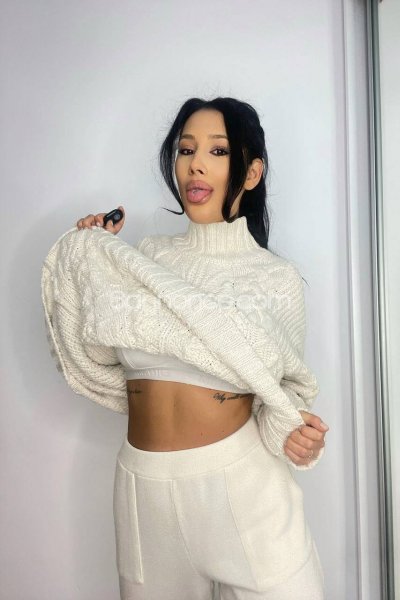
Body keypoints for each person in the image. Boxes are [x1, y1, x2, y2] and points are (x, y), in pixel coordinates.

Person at [42, 97, 329, 600]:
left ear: (252, 172)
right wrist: (88, 262)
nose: (195, 164)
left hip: (244, 487)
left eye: (218, 151)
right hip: (144, 490)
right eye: (185, 149)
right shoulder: (146, 260)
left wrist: (297, 434)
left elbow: (281, 397)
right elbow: (93, 347)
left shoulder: (276, 279)